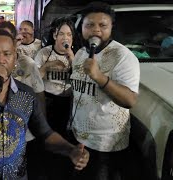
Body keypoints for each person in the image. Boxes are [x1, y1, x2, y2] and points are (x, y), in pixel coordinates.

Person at [0, 28, 89, 179]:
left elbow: (45, 134)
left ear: (15, 58)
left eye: (7, 54)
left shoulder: (26, 94)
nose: (0, 59)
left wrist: (70, 150)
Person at [69, 2, 140, 180]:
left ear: (111, 28)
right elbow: (78, 92)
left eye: (103, 25)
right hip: (79, 138)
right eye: (90, 25)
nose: (96, 30)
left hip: (106, 145)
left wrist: (99, 77)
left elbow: (130, 100)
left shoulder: (123, 56)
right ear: (81, 28)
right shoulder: (80, 54)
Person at [34, 17, 76, 179]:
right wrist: (48, 66)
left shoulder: (77, 55)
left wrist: (72, 59)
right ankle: (46, 168)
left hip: (67, 101)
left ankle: (61, 169)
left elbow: (82, 79)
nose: (65, 38)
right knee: (47, 136)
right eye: (61, 34)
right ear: (54, 36)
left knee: (65, 138)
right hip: (48, 100)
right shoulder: (44, 53)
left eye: (69, 34)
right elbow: (35, 79)